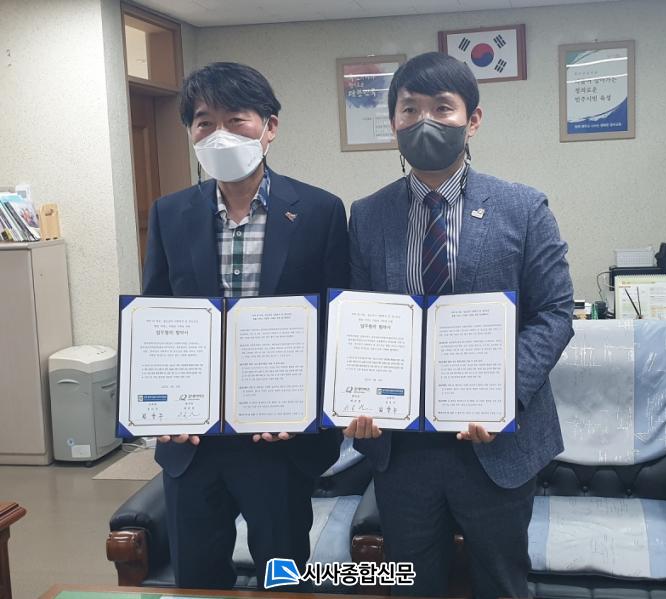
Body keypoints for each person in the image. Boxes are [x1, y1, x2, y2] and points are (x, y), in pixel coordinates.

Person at [344, 52, 574, 599]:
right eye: (409, 109)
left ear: (472, 120)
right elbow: (357, 317)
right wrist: (355, 395)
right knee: (411, 584)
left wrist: (501, 397)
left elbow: (555, 312)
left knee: (500, 583)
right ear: (393, 122)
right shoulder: (368, 215)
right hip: (402, 448)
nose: (424, 121)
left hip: (494, 443)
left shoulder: (524, 207)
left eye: (442, 108)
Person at [143, 62, 348, 590]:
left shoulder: (320, 211)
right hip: (194, 439)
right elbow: (157, 315)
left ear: (269, 127)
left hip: (276, 438)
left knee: (283, 577)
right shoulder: (169, 213)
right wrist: (159, 405)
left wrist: (308, 408)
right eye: (204, 123)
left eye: (236, 120)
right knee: (197, 580)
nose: (220, 135)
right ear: (190, 132)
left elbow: (336, 325)